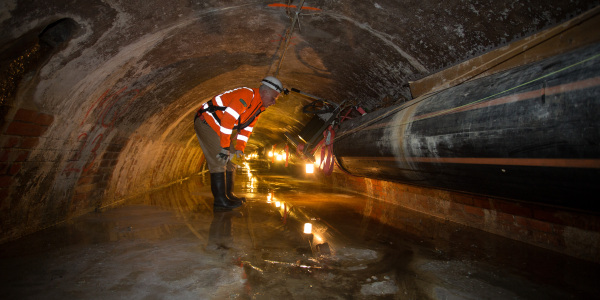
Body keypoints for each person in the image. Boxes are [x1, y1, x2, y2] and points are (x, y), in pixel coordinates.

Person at [194, 76, 284, 211]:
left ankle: (228, 195)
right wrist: (224, 148)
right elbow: (227, 120)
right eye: (274, 98)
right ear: (265, 92)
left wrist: (239, 150)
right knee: (220, 159)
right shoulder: (247, 95)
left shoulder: (259, 107)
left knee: (232, 160)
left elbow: (246, 129)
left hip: (218, 127)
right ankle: (220, 202)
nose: (274, 102)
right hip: (205, 121)